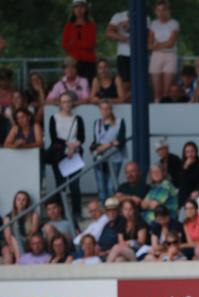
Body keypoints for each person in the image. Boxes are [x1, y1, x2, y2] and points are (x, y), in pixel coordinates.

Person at [47, 91, 85, 221]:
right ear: (60, 104)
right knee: (60, 185)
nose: (66, 104)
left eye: (69, 101)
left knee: (74, 185)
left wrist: (73, 146)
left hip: (74, 155)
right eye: (63, 102)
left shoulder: (78, 118)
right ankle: (60, 213)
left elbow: (82, 137)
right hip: (59, 155)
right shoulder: (54, 118)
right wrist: (68, 145)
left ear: (72, 103)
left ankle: (77, 212)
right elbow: (54, 138)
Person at [91, 100, 126, 203]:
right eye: (102, 109)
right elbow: (96, 140)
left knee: (111, 187)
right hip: (99, 158)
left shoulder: (120, 121)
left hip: (114, 157)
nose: (105, 111)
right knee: (101, 188)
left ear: (111, 109)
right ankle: (103, 210)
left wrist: (107, 145)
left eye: (107, 108)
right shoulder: (96, 123)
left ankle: (112, 208)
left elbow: (121, 140)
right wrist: (94, 147)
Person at [106, 8, 145, 93]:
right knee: (125, 83)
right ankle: (126, 103)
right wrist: (125, 37)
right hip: (123, 54)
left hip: (139, 54)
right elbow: (109, 33)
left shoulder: (144, 15)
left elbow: (148, 35)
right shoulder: (119, 16)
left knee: (139, 82)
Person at [148, 0, 180, 103]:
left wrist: (157, 45)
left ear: (168, 11)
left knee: (167, 89)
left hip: (170, 55)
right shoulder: (153, 24)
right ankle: (156, 107)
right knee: (157, 90)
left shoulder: (174, 23)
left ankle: (167, 106)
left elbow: (171, 43)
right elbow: (149, 45)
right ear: (155, 11)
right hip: (157, 56)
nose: (161, 13)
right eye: (158, 10)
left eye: (163, 10)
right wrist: (162, 45)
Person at [62, 0, 96, 82]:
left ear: (86, 9)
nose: (79, 9)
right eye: (76, 7)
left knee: (88, 86)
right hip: (72, 63)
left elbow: (91, 44)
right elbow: (64, 45)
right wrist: (82, 44)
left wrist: (74, 43)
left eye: (81, 7)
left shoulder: (91, 25)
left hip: (88, 62)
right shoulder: (68, 26)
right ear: (73, 9)